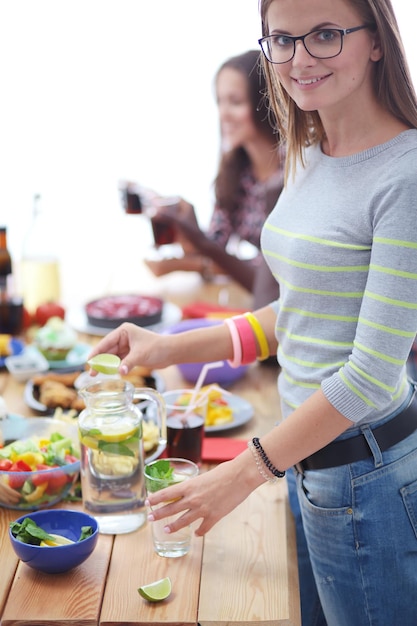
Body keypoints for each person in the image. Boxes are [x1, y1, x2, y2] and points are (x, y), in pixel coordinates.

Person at [89, 1, 417, 624]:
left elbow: (372, 373)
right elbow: (294, 313)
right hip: (306, 461)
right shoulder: (311, 151)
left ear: (377, 41)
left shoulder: (407, 173)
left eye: (325, 34)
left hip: (366, 476)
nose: (299, 59)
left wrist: (242, 474)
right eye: (282, 40)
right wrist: (164, 347)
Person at [144, 49, 285, 309]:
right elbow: (215, 246)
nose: (223, 113)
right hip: (255, 303)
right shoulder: (236, 172)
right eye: (219, 101)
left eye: (235, 102)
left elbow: (273, 278)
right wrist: (185, 228)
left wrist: (195, 252)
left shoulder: (294, 173)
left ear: (267, 102)